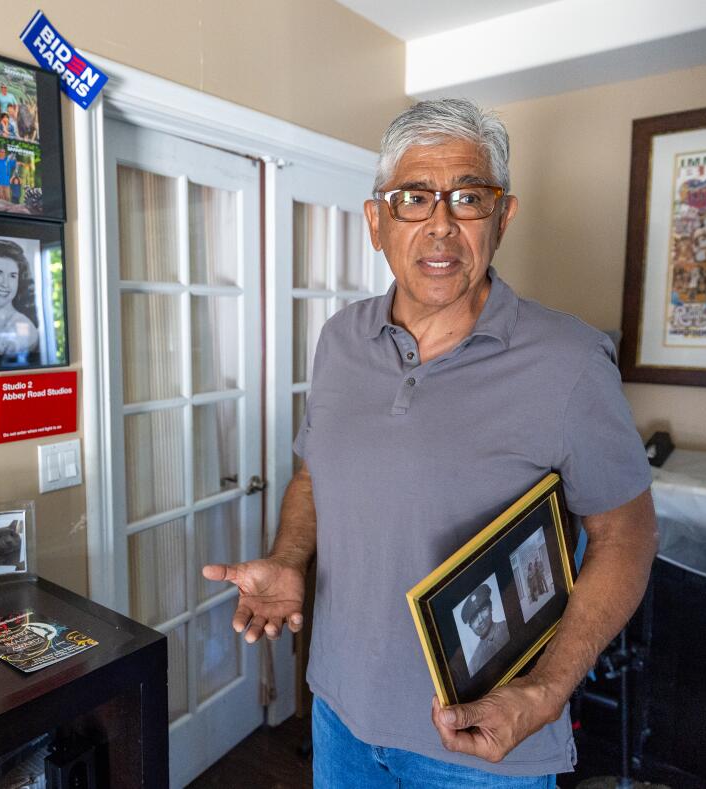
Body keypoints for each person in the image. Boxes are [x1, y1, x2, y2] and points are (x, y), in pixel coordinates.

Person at [203, 99, 657, 785]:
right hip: (339, 715)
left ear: (502, 217)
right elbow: (311, 477)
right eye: (413, 198)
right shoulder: (339, 341)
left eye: (468, 197)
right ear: (377, 220)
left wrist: (544, 691)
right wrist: (290, 557)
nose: (441, 225)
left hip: (481, 746)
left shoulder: (570, 362)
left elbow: (626, 537)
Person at [456, 584, 510, 677]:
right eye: (474, 618)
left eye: (483, 609)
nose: (480, 620)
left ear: (491, 607)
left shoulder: (509, 625)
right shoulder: (474, 664)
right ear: (471, 627)